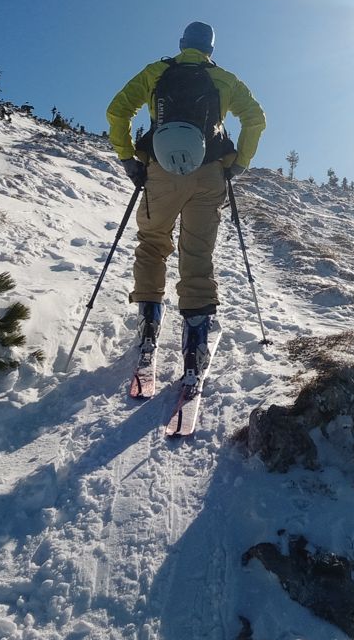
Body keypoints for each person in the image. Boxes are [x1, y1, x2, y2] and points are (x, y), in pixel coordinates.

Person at [106, 21, 266, 392]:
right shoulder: (225, 79)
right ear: (210, 50)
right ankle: (194, 347)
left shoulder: (156, 72)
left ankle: (148, 329)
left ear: (181, 44)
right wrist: (238, 163)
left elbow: (118, 111)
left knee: (152, 244)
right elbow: (255, 120)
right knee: (197, 255)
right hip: (208, 173)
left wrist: (128, 157)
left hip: (160, 171)